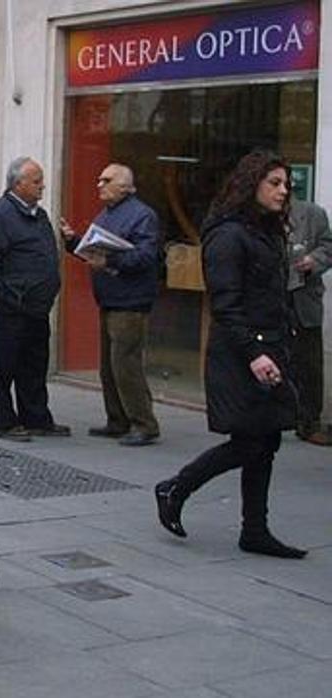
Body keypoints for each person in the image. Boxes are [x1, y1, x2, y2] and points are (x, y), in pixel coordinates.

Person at [155, 149, 306, 560]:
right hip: (241, 353)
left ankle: (255, 530)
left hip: (269, 348)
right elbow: (226, 303)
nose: (283, 191)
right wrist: (256, 352)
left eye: (286, 184)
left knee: (265, 440)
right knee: (250, 442)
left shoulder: (269, 231)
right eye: (274, 183)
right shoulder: (227, 234)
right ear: (251, 184)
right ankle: (176, 487)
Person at [59, 163, 162, 446]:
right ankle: (118, 419)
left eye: (106, 180)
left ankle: (143, 423)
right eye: (99, 179)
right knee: (109, 365)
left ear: (125, 186)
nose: (99, 184)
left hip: (130, 301)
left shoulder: (142, 216)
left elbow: (145, 256)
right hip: (110, 298)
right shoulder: (108, 214)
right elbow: (95, 252)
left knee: (125, 364)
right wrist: (73, 242)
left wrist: (112, 261)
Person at [0, 156, 70, 442]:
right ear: (18, 184)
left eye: (41, 180)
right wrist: (3, 297)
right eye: (36, 181)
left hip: (37, 307)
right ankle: (5, 421)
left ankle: (36, 417)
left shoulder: (39, 215)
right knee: (4, 366)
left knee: (34, 364)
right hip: (9, 306)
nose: (43, 186)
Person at [286, 200, 332, 446]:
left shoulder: (312, 214)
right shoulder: (255, 215)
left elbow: (328, 246)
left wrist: (314, 261)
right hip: (272, 298)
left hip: (304, 297)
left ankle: (309, 421)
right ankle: (272, 417)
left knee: (310, 362)